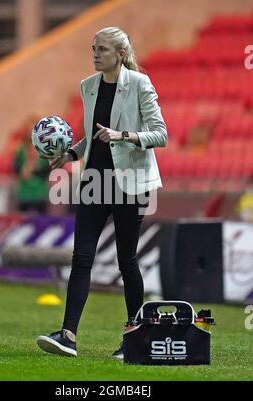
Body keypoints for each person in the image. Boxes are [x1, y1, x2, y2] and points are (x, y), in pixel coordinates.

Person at [36, 27, 167, 359]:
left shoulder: (140, 83)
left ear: (120, 55)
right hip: (94, 180)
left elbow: (160, 133)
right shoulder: (88, 86)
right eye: (93, 48)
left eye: (102, 50)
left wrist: (123, 135)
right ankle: (67, 336)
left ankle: (134, 337)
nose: (95, 54)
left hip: (130, 184)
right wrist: (70, 155)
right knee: (81, 258)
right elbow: (92, 136)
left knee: (127, 261)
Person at [13, 123, 51, 214]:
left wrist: (34, 168)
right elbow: (16, 168)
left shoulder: (44, 150)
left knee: (41, 219)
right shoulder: (21, 150)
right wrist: (24, 171)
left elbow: (47, 169)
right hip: (24, 193)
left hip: (40, 192)